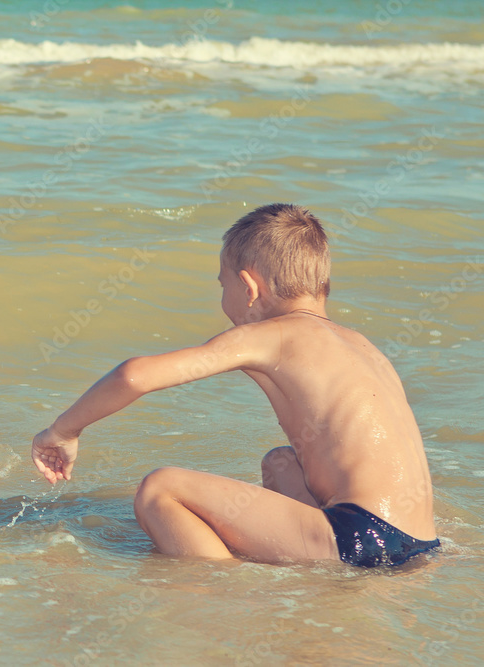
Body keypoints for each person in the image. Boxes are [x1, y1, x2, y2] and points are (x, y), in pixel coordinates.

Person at [31, 204, 439, 567]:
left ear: (249, 288)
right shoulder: (361, 344)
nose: (223, 295)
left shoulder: (273, 336)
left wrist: (62, 431)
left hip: (361, 538)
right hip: (418, 544)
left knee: (160, 489)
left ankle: (225, 587)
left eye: (221, 283)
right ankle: (311, 569)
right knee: (280, 464)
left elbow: (133, 375)